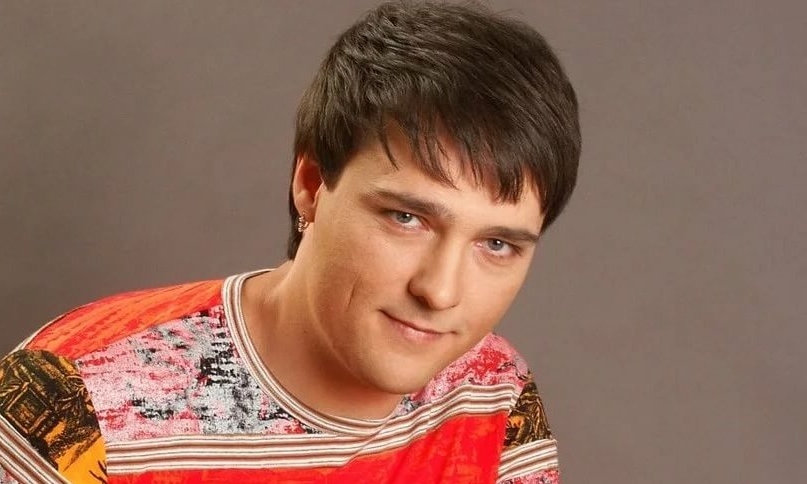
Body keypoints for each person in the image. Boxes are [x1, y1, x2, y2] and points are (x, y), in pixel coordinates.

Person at [0, 1, 580, 483]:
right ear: (311, 184)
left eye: (497, 245)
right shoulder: (73, 397)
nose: (441, 291)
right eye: (406, 217)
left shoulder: (490, 391)